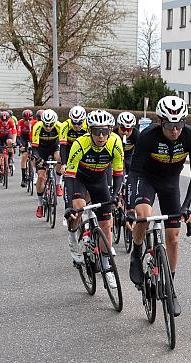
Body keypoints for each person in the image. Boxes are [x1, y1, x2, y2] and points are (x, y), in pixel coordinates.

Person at [126, 96, 191, 317]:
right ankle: (137, 250)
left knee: (174, 237)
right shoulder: (148, 136)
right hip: (147, 179)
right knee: (144, 214)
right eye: (170, 125)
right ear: (160, 121)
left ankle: (170, 289)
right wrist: (130, 207)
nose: (175, 131)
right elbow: (134, 173)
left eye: (179, 124)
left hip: (171, 184)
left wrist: (186, 206)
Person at [64, 109, 124, 288]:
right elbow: (69, 176)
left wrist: (115, 196)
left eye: (104, 131)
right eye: (96, 131)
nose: (100, 135)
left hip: (99, 180)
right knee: (79, 208)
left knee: (106, 223)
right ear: (89, 130)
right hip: (80, 179)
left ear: (110, 131)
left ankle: (107, 267)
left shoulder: (115, 142)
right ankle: (74, 238)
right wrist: (69, 206)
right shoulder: (79, 144)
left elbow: (119, 173)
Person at [31, 109, 62, 218]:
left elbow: (63, 144)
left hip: (54, 146)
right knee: (41, 176)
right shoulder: (37, 126)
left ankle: (58, 183)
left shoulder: (59, 126)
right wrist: (38, 158)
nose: (48, 127)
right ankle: (40, 205)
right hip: (41, 149)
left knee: (59, 158)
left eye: (51, 125)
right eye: (46, 125)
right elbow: (34, 147)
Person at [59, 105, 88, 215]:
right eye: (74, 122)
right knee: (68, 175)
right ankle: (68, 208)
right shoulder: (65, 125)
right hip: (68, 148)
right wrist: (63, 164)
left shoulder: (87, 126)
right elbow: (62, 146)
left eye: (79, 123)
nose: (76, 125)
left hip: (82, 150)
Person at [0, 111, 17, 183]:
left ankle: (10, 158)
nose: (4, 122)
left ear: (8, 119)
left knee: (10, 142)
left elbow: (14, 133)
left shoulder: (11, 122)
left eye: (6, 121)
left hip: (7, 135)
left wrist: (14, 142)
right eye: (3, 121)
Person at [17, 109, 34, 187]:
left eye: (29, 119)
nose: (27, 121)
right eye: (25, 119)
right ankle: (23, 178)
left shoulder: (35, 123)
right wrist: (21, 145)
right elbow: (18, 135)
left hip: (33, 137)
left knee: (34, 156)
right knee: (24, 156)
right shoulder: (20, 122)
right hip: (23, 137)